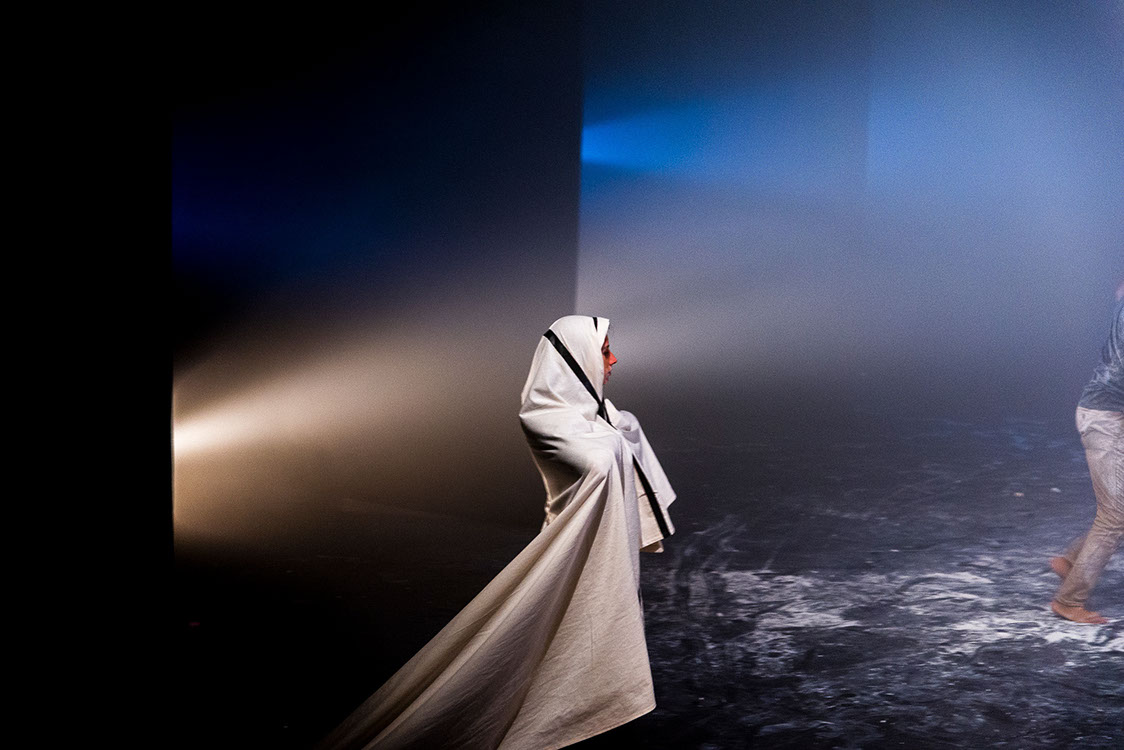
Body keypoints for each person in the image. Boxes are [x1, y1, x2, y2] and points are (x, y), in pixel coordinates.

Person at [319, 315, 676, 749]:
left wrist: (616, 430)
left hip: (601, 550)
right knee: (539, 649)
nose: (613, 360)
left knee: (575, 648)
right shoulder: (546, 420)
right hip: (569, 554)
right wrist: (615, 436)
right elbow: (598, 464)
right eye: (604, 351)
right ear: (577, 357)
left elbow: (618, 438)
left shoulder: (599, 417)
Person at [1049, 281, 1124, 625]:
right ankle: (1068, 601)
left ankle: (1070, 561)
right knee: (1114, 516)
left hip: (1108, 414)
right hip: (1104, 419)